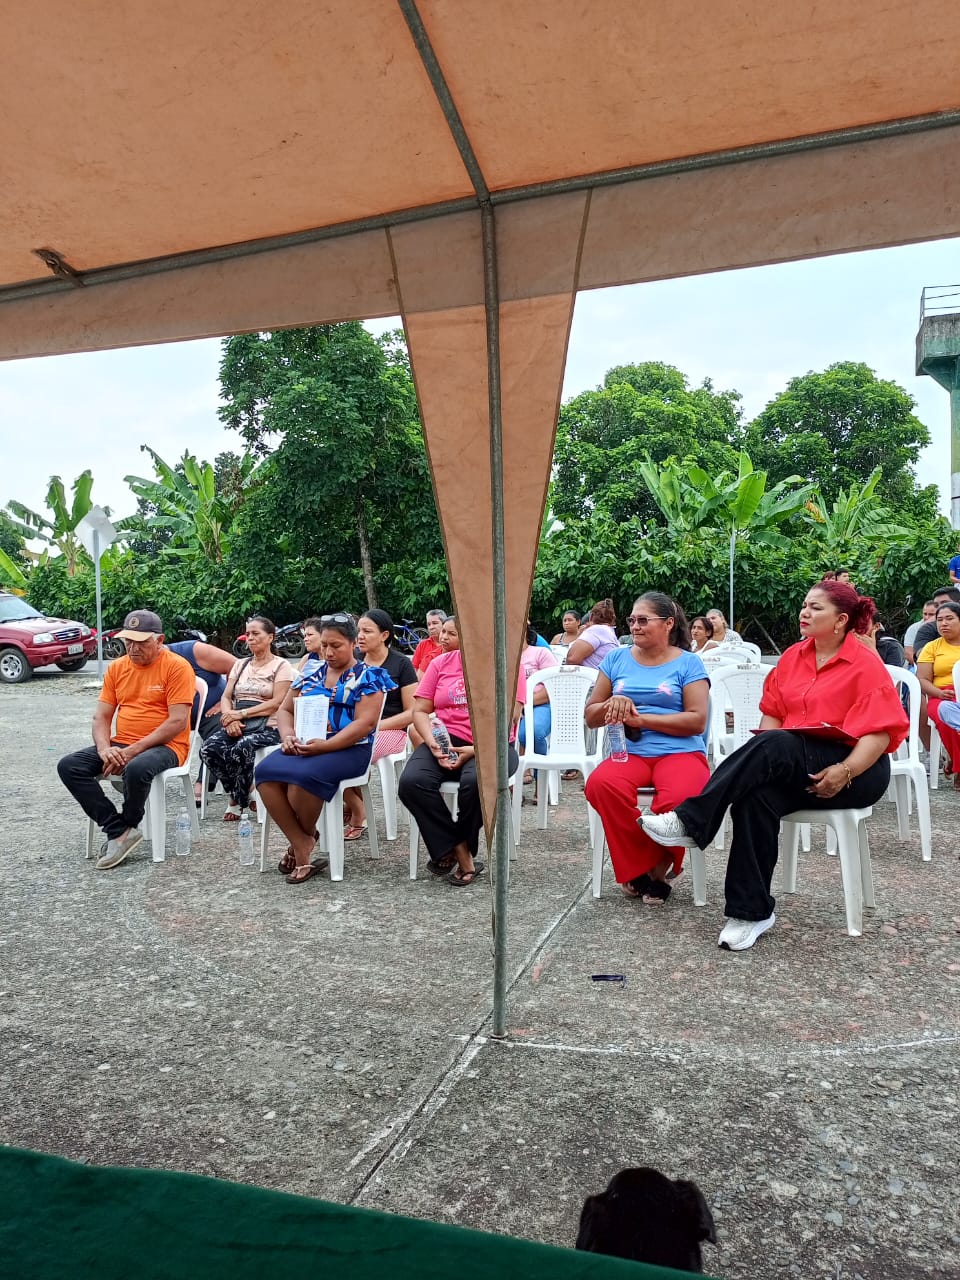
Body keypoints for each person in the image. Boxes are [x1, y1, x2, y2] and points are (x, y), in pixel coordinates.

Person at [641, 580, 909, 952]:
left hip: (856, 768)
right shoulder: (793, 657)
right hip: (799, 760)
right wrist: (763, 763)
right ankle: (749, 913)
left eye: (816, 608)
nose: (805, 612)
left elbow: (879, 734)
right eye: (805, 605)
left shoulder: (864, 663)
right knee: (755, 797)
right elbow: (772, 717)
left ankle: (692, 819)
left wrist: (845, 770)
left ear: (841, 620)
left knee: (778, 743)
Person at [583, 593, 710, 904]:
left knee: (681, 797)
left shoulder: (689, 662)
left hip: (680, 752)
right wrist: (612, 704)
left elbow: (697, 721)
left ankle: (658, 867)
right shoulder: (616, 659)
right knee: (601, 785)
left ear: (668, 624)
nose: (635, 626)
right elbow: (591, 716)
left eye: (643, 620)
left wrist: (641, 719)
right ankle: (641, 863)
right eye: (632, 620)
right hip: (630, 752)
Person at [255, 613, 395, 884]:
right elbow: (285, 710)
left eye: (336, 646)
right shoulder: (311, 672)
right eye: (324, 645)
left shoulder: (369, 676)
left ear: (353, 643)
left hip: (349, 749)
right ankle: (302, 840)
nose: (329, 652)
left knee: (303, 778)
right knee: (265, 773)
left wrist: (327, 746)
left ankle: (301, 846)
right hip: (307, 744)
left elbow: (365, 724)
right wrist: (287, 736)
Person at [57, 609, 195, 869]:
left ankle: (128, 824)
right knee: (69, 766)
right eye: (128, 641)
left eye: (141, 642)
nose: (133, 648)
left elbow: (177, 721)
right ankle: (118, 829)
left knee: (137, 767)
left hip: (167, 745)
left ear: (159, 640)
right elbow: (101, 717)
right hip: (123, 742)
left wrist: (132, 751)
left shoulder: (177, 667)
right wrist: (105, 749)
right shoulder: (118, 667)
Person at [397, 616, 525, 886]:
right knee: (412, 782)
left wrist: (477, 749)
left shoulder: (507, 665)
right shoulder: (440, 663)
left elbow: (511, 716)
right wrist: (431, 741)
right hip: (446, 738)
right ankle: (460, 850)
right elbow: (420, 710)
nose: (444, 638)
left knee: (475, 783)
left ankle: (456, 848)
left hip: (494, 744)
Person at [199, 616, 295, 820]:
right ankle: (243, 794)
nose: (250, 638)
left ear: (270, 637)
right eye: (248, 634)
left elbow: (278, 702)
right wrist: (230, 718)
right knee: (209, 749)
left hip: (269, 725)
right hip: (239, 721)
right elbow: (226, 697)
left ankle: (236, 801)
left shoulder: (281, 666)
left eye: (255, 634)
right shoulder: (240, 665)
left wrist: (241, 714)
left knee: (242, 747)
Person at [341, 609, 418, 838]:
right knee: (324, 753)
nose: (360, 636)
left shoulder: (401, 664)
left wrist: (374, 727)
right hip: (354, 727)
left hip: (390, 730)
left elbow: (412, 712)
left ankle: (357, 811)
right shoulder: (353, 660)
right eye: (358, 631)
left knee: (352, 751)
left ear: (384, 635)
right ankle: (355, 802)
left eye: (367, 631)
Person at [166, 638, 237, 804]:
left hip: (209, 710)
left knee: (222, 729)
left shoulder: (193, 650)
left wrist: (227, 700)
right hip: (171, 716)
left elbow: (236, 666)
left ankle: (203, 782)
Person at [917, 602, 960, 787]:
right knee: (946, 714)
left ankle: (956, 763)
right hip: (942, 696)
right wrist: (940, 693)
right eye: (940, 620)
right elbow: (922, 679)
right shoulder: (932, 647)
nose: (944, 623)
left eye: (949, 618)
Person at [518, 622, 560, 785]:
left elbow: (554, 688)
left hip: (540, 704)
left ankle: (541, 783)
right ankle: (510, 788)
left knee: (532, 732)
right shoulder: (500, 658)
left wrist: (523, 704)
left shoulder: (540, 653)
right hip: (509, 709)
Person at [564, 599, 620, 670]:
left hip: (592, 676)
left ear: (591, 617)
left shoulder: (597, 630)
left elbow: (572, 659)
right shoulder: (609, 631)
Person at [412, 609, 446, 678]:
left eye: (435, 623)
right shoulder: (422, 645)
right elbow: (414, 669)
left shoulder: (450, 645)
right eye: (429, 624)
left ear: (444, 624)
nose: (431, 627)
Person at [904, 601, 937, 666]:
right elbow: (908, 654)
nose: (927, 617)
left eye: (931, 614)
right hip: (917, 665)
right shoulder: (914, 628)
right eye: (925, 614)